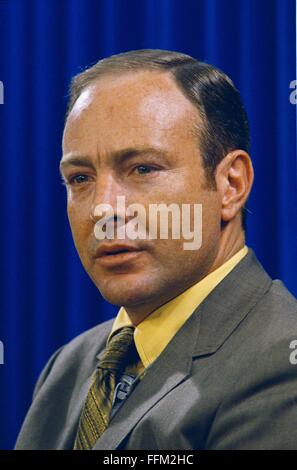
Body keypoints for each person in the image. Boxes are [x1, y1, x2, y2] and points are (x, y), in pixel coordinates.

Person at [16, 50, 297, 450]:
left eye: (143, 169)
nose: (104, 209)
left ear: (230, 186)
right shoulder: (68, 366)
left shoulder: (282, 365)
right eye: (79, 178)